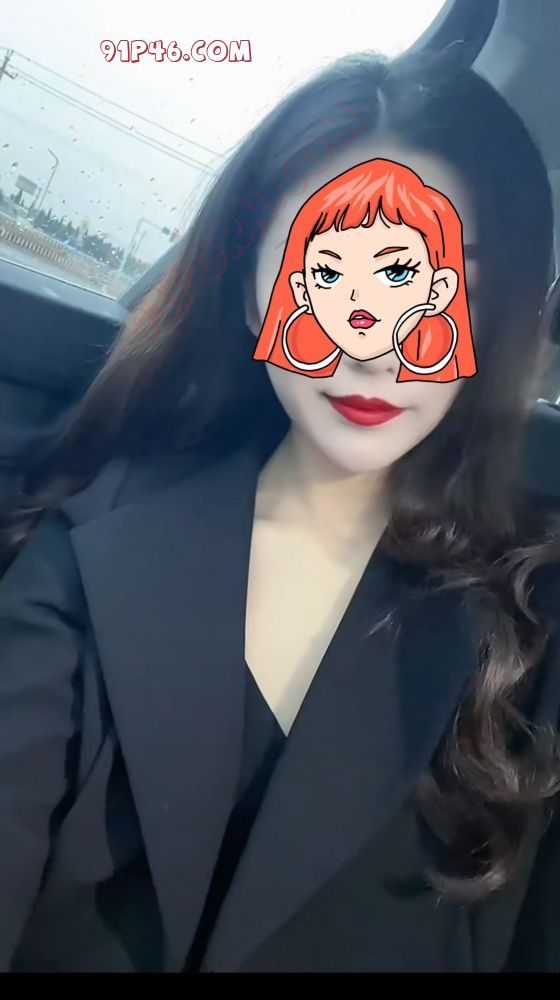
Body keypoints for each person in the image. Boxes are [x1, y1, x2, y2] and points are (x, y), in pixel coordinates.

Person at [0, 46, 560, 974]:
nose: (370, 347)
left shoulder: (531, 639)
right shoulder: (83, 556)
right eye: (325, 274)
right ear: (256, 287)